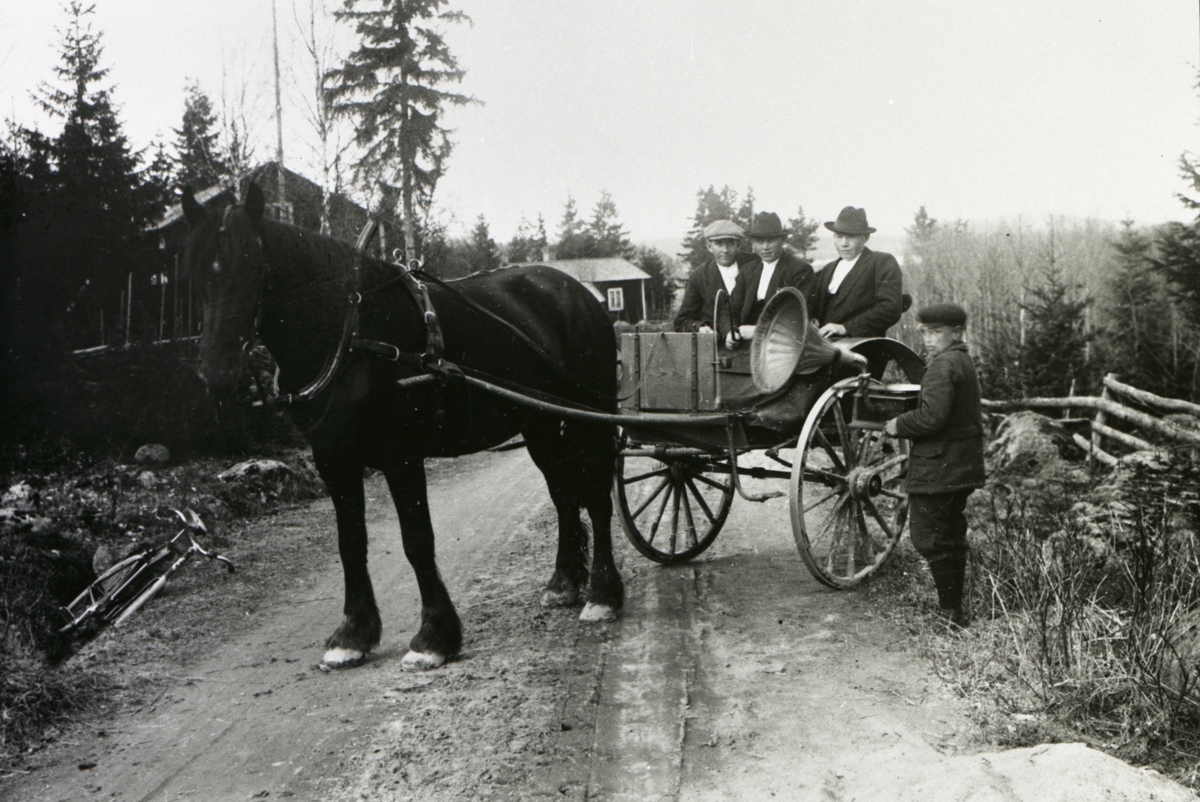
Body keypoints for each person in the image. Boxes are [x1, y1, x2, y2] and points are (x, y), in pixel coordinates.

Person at [884, 303, 986, 629]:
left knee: (930, 537)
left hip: (938, 467)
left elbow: (932, 418)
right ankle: (954, 609)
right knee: (951, 534)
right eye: (925, 332)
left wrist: (897, 425)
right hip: (961, 465)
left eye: (936, 332)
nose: (928, 339)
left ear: (956, 332)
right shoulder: (962, 361)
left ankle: (950, 613)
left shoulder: (943, 367)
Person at [810, 206, 903, 339]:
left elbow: (890, 308)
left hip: (861, 345)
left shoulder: (881, 263)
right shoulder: (828, 270)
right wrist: (811, 317)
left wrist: (846, 328)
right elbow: (811, 302)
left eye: (851, 237)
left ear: (865, 238)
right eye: (839, 236)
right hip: (823, 345)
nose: (844, 243)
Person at [726, 211, 815, 344]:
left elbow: (798, 318)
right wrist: (731, 332)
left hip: (781, 345)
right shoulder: (747, 271)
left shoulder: (800, 270)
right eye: (759, 241)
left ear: (782, 240)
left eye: (771, 240)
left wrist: (759, 331)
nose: (765, 247)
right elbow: (732, 308)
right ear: (753, 243)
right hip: (744, 344)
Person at [673, 220, 760, 333]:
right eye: (719, 244)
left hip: (754, 342)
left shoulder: (756, 263)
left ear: (738, 245)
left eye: (730, 243)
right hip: (718, 345)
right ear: (709, 247)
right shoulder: (699, 275)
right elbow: (681, 321)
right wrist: (700, 327)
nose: (725, 250)